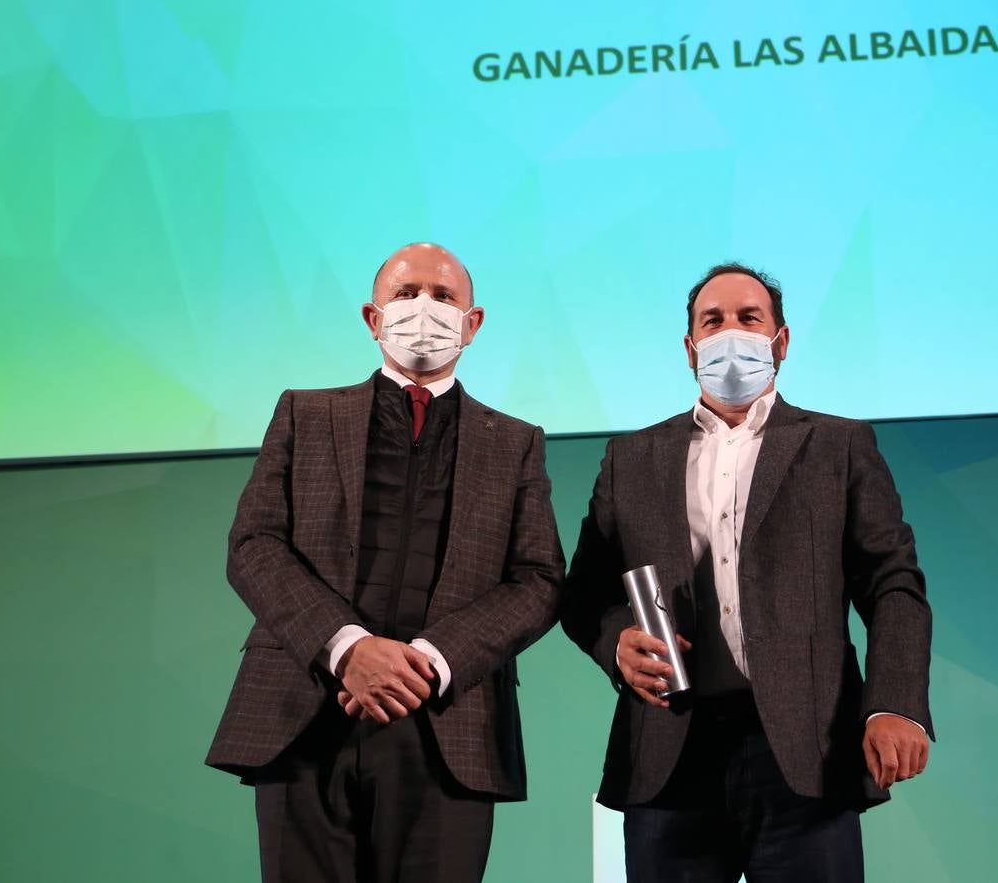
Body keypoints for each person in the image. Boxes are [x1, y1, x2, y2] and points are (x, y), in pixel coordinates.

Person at [561, 263, 934, 882]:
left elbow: (894, 584)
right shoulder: (630, 459)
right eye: (713, 321)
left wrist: (895, 704)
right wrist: (615, 642)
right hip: (668, 751)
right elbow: (584, 593)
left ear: (780, 342)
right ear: (690, 349)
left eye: (748, 318)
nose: (730, 332)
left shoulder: (838, 446)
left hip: (805, 749)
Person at [206, 243, 564, 882]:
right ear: (373, 318)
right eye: (405, 294)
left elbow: (538, 580)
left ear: (473, 323)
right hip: (304, 714)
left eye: (444, 296)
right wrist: (348, 648)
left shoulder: (516, 442)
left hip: (445, 728)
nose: (423, 308)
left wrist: (426, 661)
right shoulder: (304, 413)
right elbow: (254, 543)